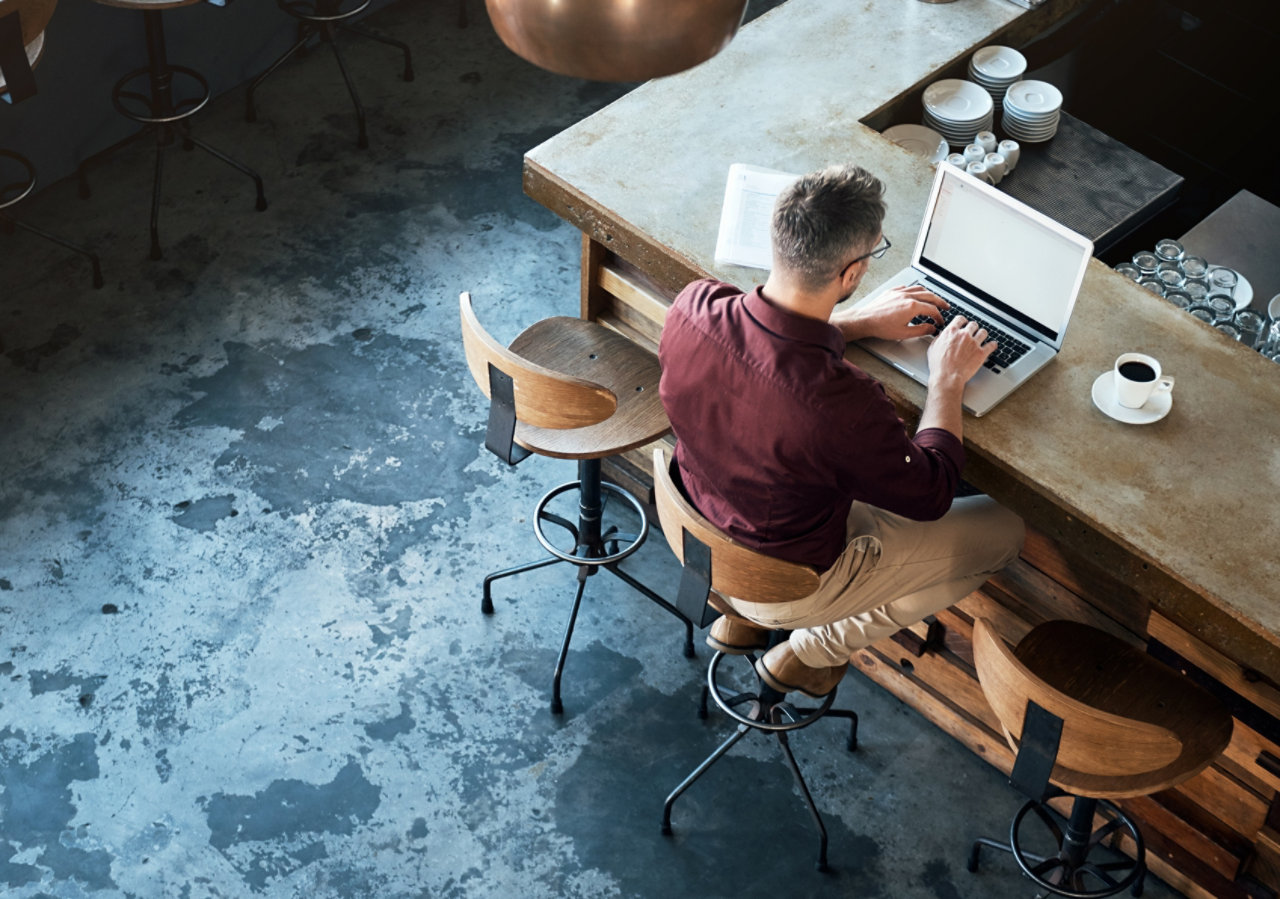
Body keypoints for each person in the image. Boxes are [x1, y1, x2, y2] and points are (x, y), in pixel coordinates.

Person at [658, 163, 1025, 698]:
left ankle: (744, 609)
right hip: (791, 577)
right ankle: (811, 649)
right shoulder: (841, 405)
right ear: (852, 274)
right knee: (1006, 531)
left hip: (701, 527)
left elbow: (766, 362)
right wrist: (946, 380)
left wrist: (855, 324)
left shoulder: (694, 307)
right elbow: (932, 492)